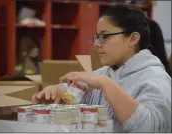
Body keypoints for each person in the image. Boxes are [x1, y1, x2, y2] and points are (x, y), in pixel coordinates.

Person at [32, 5, 171, 132]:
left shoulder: (155, 78)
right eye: (97, 37)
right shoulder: (105, 72)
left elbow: (152, 128)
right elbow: (78, 94)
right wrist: (59, 91)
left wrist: (106, 84)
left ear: (133, 39)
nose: (97, 44)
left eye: (105, 36)